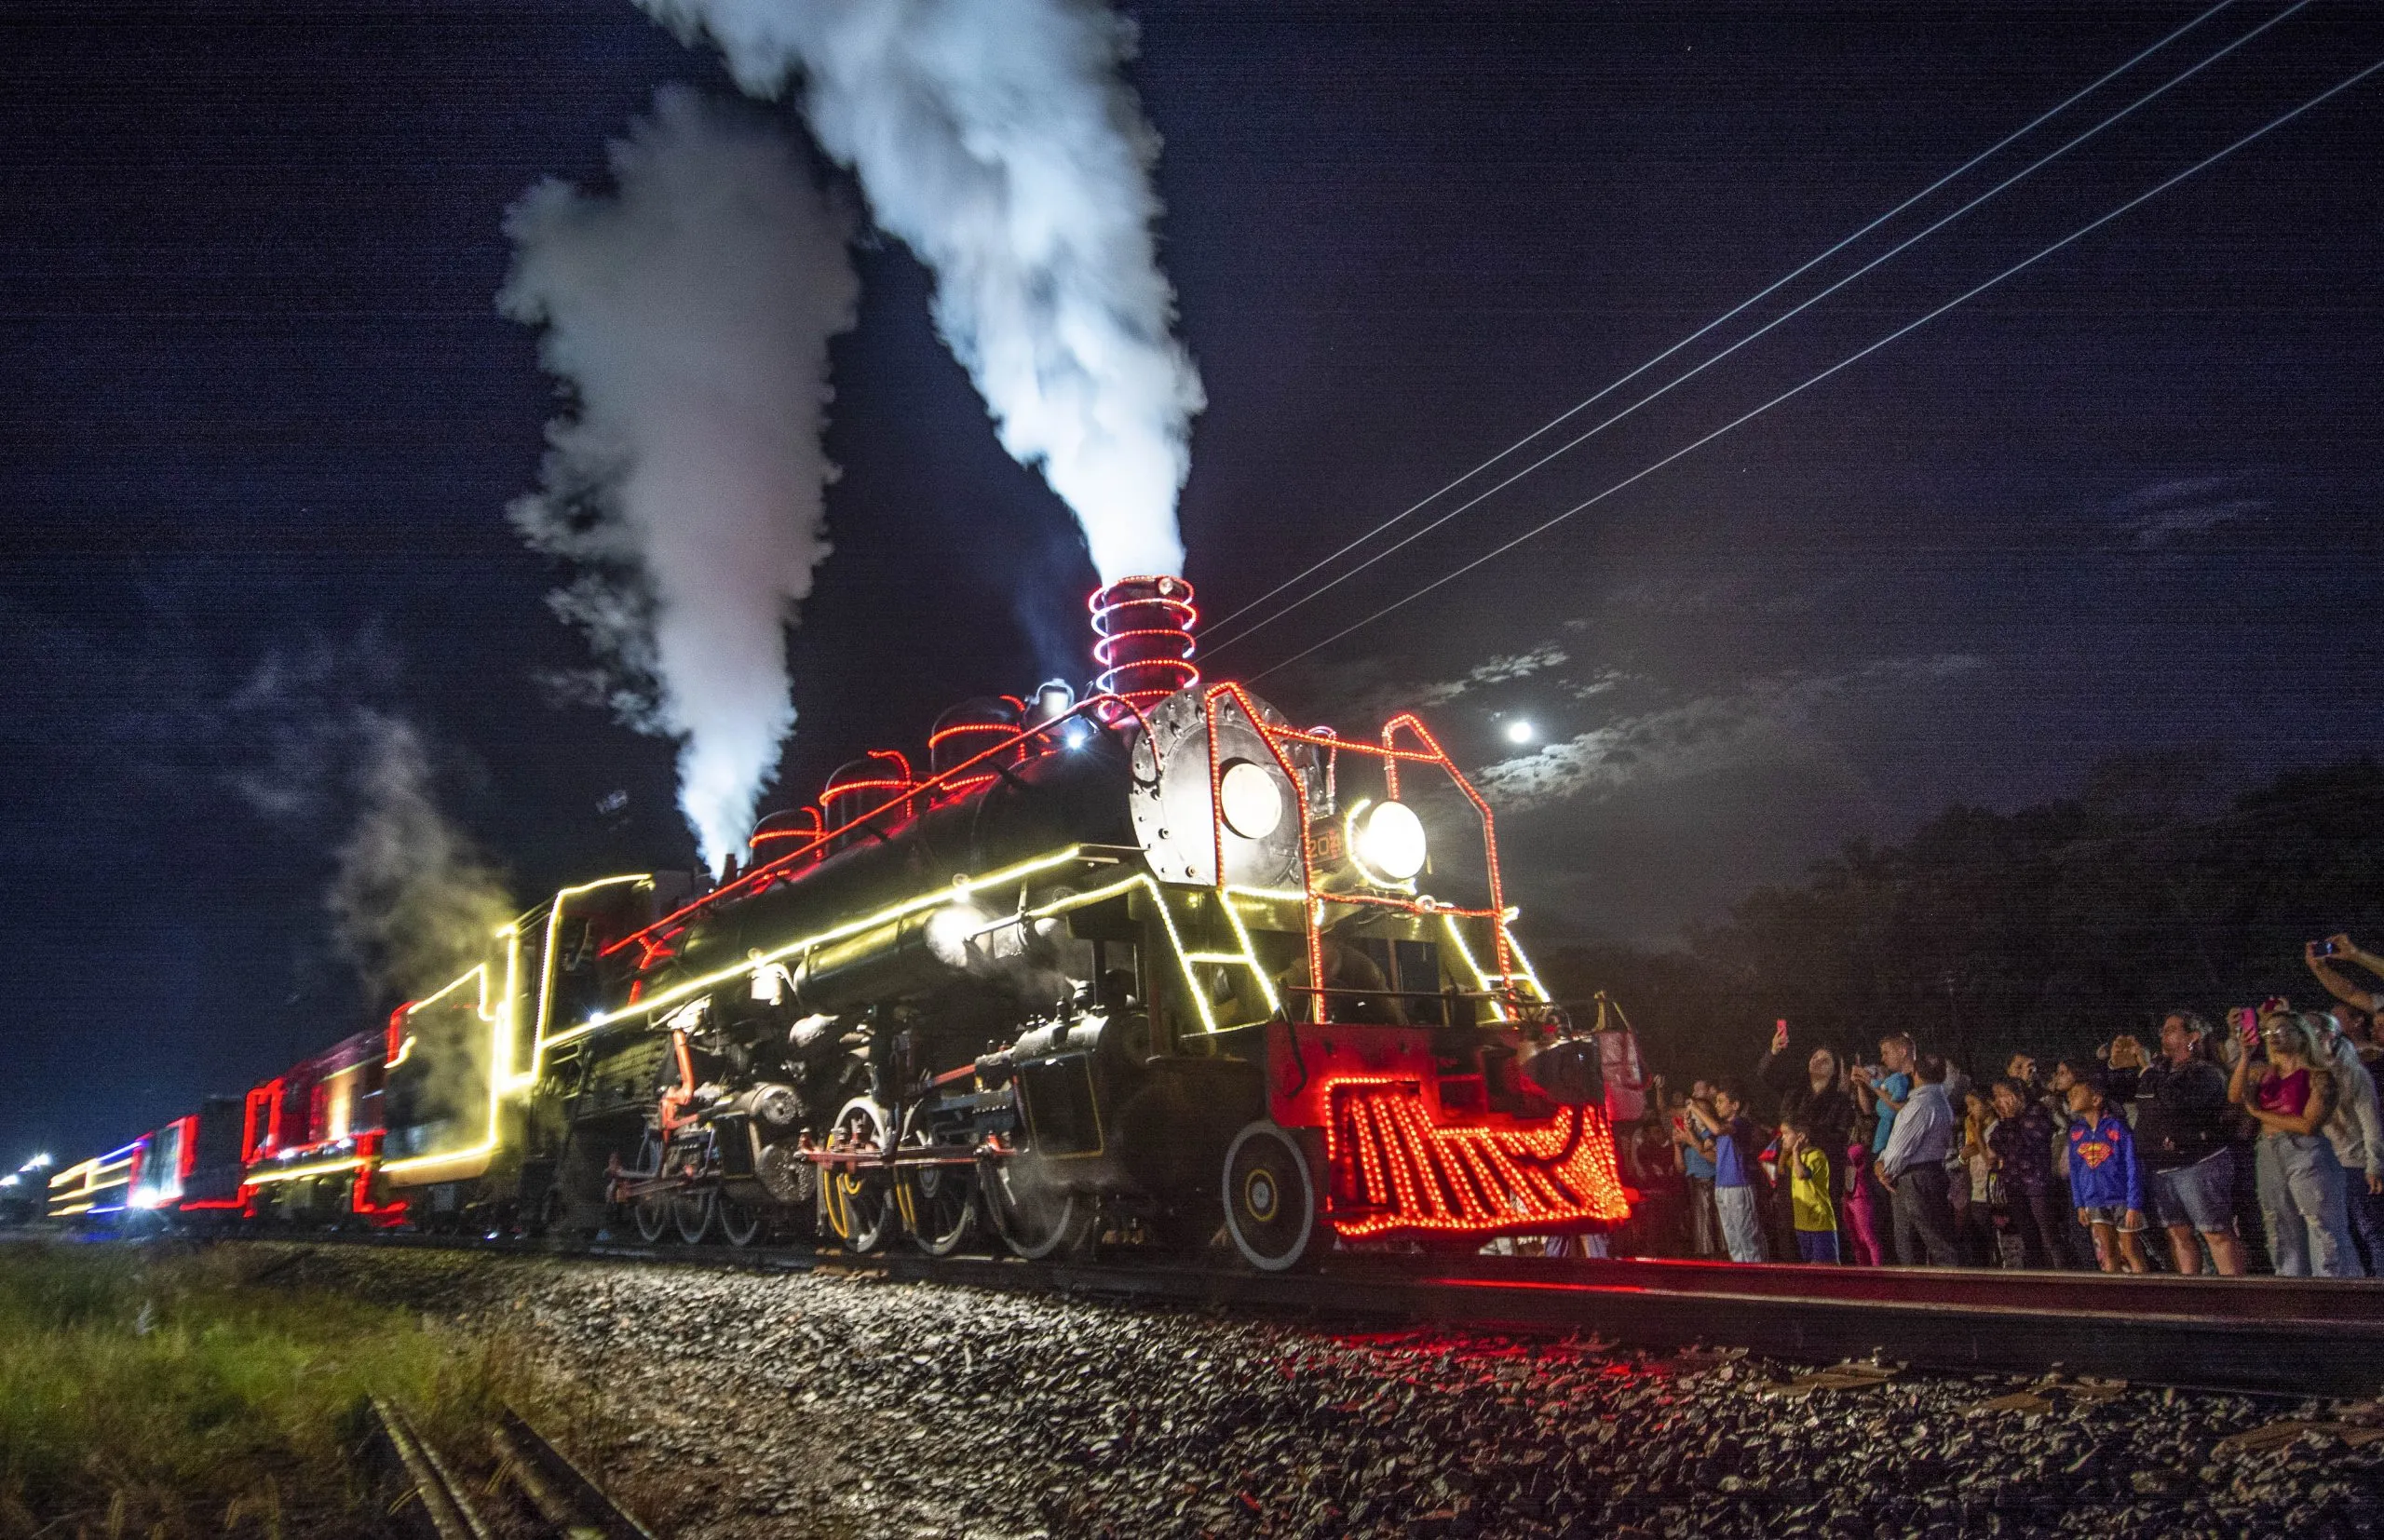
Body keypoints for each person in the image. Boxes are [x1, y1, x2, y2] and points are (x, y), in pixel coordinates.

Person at [2109, 1011, 2245, 1276]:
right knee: (2178, 1234)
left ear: (2193, 1037)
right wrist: (2115, 1065)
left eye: (2171, 1030)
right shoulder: (2159, 1071)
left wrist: (2147, 1069)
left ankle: (2238, 1296)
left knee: (2215, 1233)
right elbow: (2114, 1094)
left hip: (2197, 1164)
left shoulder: (2205, 1072)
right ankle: (2190, 1296)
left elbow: (2176, 1102)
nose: (2163, 1034)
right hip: (2161, 1167)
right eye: (2163, 1030)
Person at [2230, 1008, 2357, 1277]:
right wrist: (2244, 1055)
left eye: (2281, 1031)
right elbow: (2234, 1096)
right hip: (2268, 1148)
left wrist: (2257, 1112)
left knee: (2321, 1224)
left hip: (2305, 1151)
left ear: (2302, 1036)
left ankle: (2333, 1291)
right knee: (2278, 1225)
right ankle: (2293, 1290)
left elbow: (2308, 1124)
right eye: (2268, 1032)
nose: (2273, 1037)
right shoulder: (2264, 1073)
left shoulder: (2319, 1075)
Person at [2315, 1011, 2384, 1275]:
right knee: (2343, 1235)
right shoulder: (2309, 1073)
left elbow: (2371, 1124)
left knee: (2372, 1233)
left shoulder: (2353, 1073)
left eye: (2314, 1034)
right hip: (2323, 1164)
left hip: (2354, 1164)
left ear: (2330, 1036)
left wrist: (2374, 1165)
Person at [1876, 1053, 1959, 1266]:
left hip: (1915, 1178)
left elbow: (1901, 1146)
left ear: (1915, 1073)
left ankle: (1938, 1291)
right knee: (1930, 1240)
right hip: (1929, 1173)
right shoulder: (1940, 1101)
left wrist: (1886, 1169)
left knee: (1917, 1243)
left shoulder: (1920, 1105)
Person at [2064, 1071, 2149, 1274]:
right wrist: (2080, 1204)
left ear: (2095, 1099)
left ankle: (2146, 1297)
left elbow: (2132, 1165)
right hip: (2093, 1200)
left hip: (2121, 1199)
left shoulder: (2117, 1128)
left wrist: (2134, 1204)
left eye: (2077, 1092)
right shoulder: (2076, 1132)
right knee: (2108, 1252)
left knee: (2131, 1251)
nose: (2071, 1096)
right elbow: (2075, 1170)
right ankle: (2115, 1300)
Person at [1986, 1077, 2067, 1268]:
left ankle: (2062, 1273)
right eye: (1996, 1096)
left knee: (2048, 1234)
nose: (1999, 1101)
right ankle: (2036, 1275)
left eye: (2004, 1095)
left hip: (2036, 1184)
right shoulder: (2006, 1121)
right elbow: (1995, 1145)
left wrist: (2012, 1119)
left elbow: (2027, 1143)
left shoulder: (2036, 1113)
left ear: (2019, 1095)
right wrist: (2007, 1120)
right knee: (2027, 1234)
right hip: (2014, 1184)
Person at [1688, 1081, 1768, 1263]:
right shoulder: (1721, 1125)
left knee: (1747, 1237)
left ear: (1735, 1105)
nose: (1716, 1105)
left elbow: (1717, 1129)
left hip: (1739, 1185)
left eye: (1721, 1101)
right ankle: (1742, 1278)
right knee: (1733, 1239)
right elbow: (1703, 1147)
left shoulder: (1740, 1123)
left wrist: (1697, 1109)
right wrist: (1690, 1129)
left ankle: (1759, 1277)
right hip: (1722, 1186)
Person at [1666, 1087, 1720, 1258]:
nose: (1689, 1116)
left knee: (1713, 1230)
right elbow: (1680, 1168)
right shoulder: (1690, 1135)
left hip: (1711, 1183)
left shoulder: (1709, 1134)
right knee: (1702, 1230)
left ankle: (1719, 1261)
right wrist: (1676, 1144)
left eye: (1695, 1112)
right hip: (1695, 1184)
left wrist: (1691, 1139)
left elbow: (1716, 1159)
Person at [1781, 1114, 1838, 1263]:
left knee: (1825, 1268)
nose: (1782, 1138)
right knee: (1810, 1269)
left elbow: (1801, 1174)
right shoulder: (1795, 1158)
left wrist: (1794, 1151)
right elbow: (1780, 1168)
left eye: (1786, 1134)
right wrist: (1788, 1149)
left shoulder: (1817, 1155)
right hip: (1802, 1224)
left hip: (1819, 1224)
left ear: (1800, 1136)